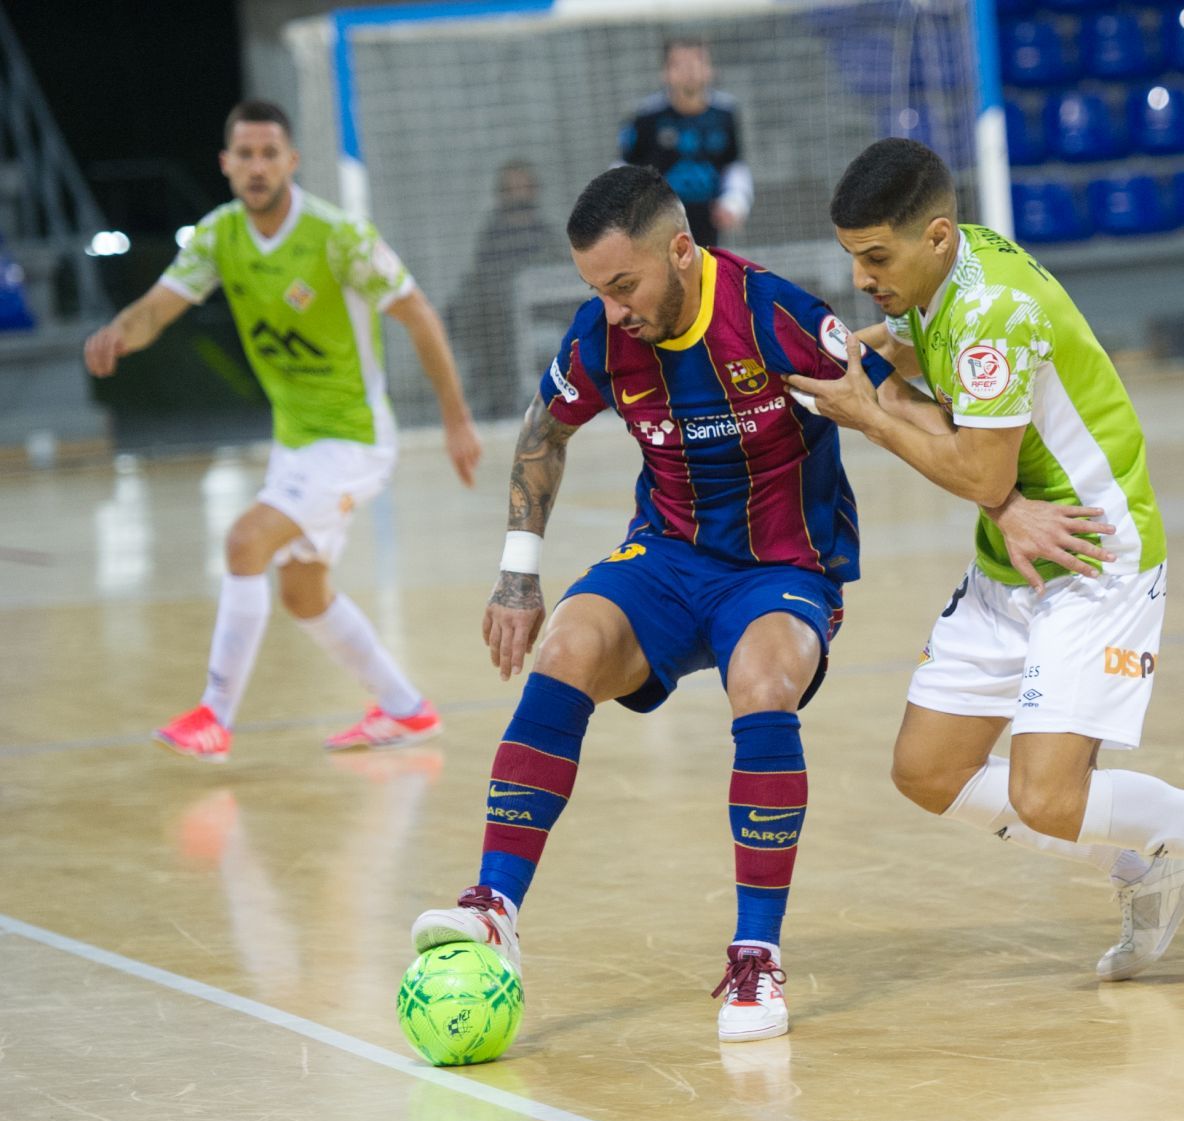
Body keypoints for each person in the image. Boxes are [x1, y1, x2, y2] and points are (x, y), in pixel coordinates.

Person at [791, 138, 1184, 984]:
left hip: (1093, 551)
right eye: (853, 259)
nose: (863, 277)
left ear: (937, 235)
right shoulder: (947, 275)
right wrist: (811, 368)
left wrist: (866, 416)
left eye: (875, 257)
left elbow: (981, 471)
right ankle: (1147, 867)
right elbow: (904, 357)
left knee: (1047, 794)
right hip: (1017, 551)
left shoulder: (992, 310)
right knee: (928, 770)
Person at [409, 165, 899, 1043]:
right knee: (565, 646)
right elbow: (543, 428)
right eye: (595, 290)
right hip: (666, 557)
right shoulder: (604, 334)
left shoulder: (770, 313)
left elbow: (885, 388)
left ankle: (757, 955)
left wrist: (1007, 500)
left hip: (780, 565)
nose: (611, 309)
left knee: (759, 681)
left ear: (682, 250)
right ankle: (493, 908)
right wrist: (519, 573)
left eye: (624, 285)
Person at [83, 99, 482, 764]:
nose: (258, 166)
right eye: (246, 155)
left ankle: (215, 715)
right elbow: (159, 309)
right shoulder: (218, 236)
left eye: (271, 154)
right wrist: (120, 333)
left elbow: (419, 315)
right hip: (297, 444)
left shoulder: (338, 236)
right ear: (226, 164)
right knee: (304, 594)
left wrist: (455, 418)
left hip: (353, 439)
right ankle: (407, 710)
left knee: (245, 541)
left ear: (292, 162)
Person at [446, 160, 569, 420]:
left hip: (542, 324)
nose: (518, 195)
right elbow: (480, 282)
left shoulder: (547, 236)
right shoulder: (491, 239)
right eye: (511, 189)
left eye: (524, 188)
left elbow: (561, 285)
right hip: (497, 326)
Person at [619, 38, 752, 248]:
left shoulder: (724, 113)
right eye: (679, 64)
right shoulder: (646, 117)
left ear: (710, 69)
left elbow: (734, 165)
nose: (690, 71)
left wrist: (734, 202)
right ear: (665, 72)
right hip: (659, 223)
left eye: (697, 62)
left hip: (709, 221)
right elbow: (623, 168)